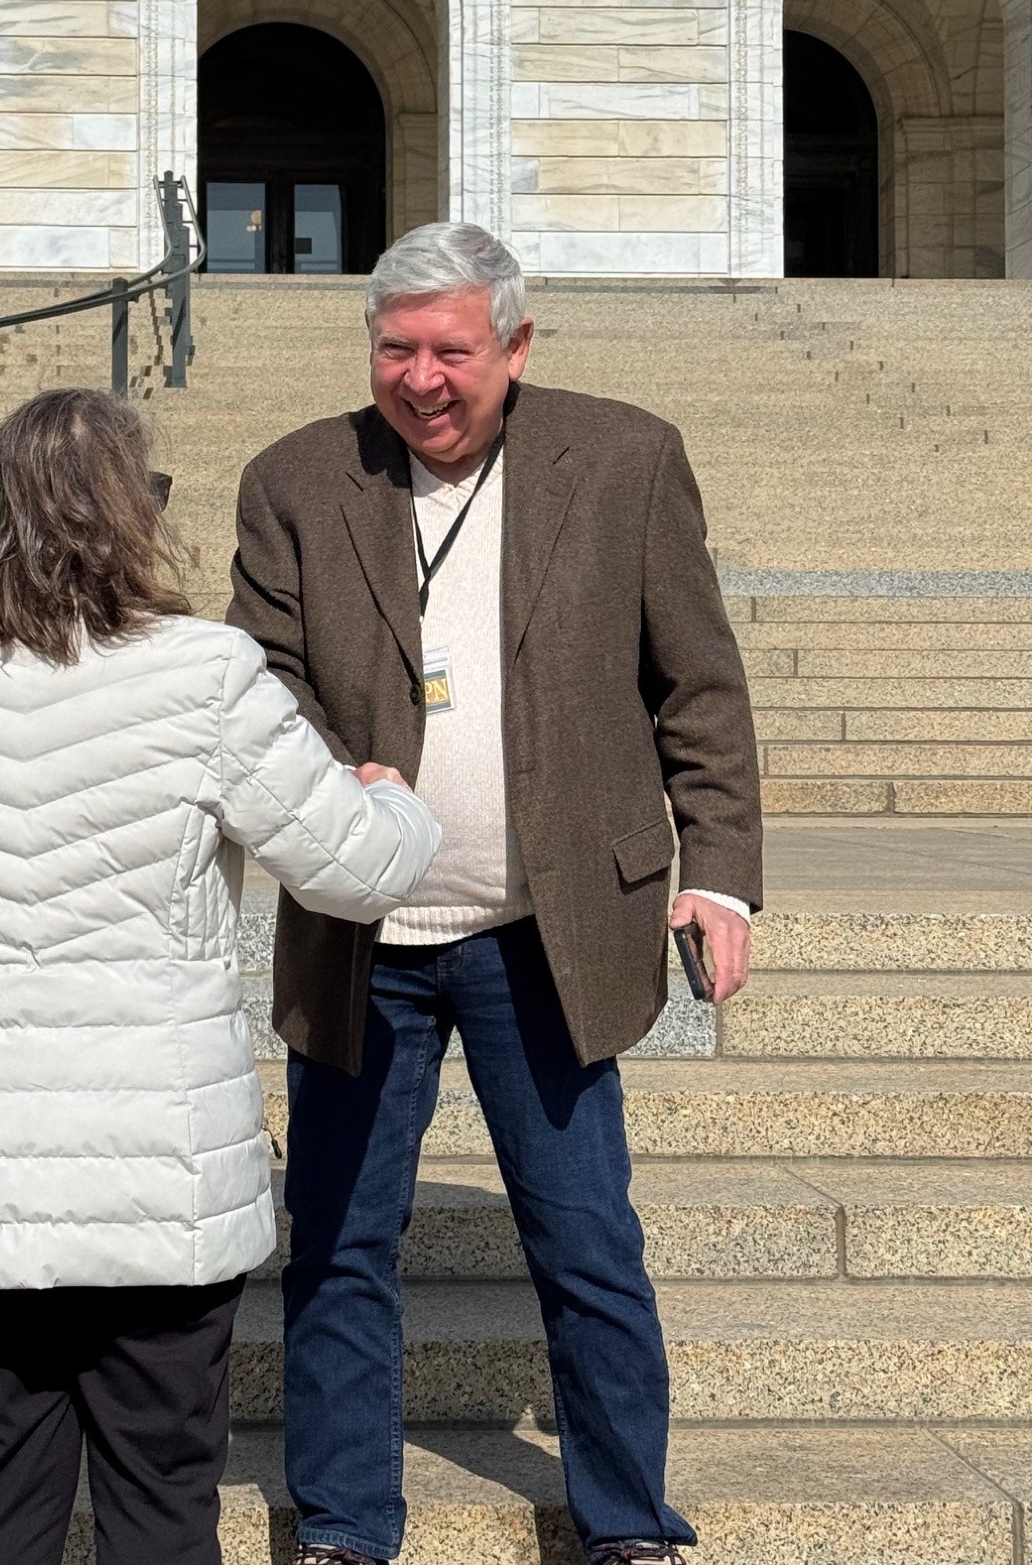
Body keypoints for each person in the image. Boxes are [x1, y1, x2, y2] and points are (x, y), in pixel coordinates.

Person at [0, 386, 440, 1565]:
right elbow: (358, 871)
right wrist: (393, 797)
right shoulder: (204, 671)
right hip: (160, 1183)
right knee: (163, 1505)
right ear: (130, 514)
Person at [227, 223, 764, 1565]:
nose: (420, 379)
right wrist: (313, 757)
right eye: (395, 350)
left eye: (451, 350)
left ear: (516, 347)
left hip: (550, 932)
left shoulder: (624, 459)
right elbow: (260, 675)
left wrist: (723, 878)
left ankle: (628, 1524)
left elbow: (697, 683)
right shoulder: (297, 478)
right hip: (365, 935)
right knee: (342, 1245)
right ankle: (347, 1527)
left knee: (586, 1243)